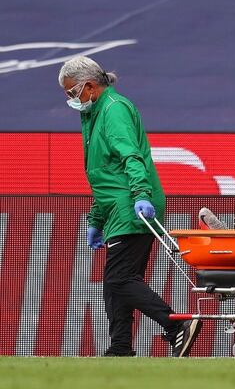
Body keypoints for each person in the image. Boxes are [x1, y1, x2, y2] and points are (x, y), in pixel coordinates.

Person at [58, 56, 202, 358]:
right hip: (116, 207)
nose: (70, 98)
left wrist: (141, 194)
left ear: (90, 87)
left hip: (131, 204)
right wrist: (96, 219)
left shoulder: (113, 110)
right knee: (118, 283)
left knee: (118, 279)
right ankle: (120, 346)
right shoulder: (95, 115)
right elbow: (104, 175)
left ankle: (177, 324)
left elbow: (131, 157)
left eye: (72, 92)